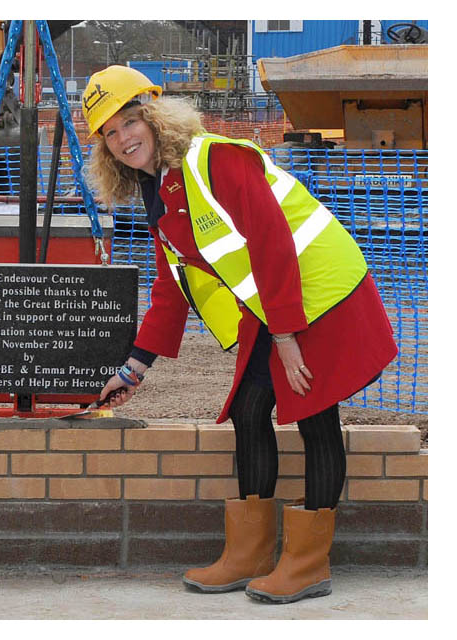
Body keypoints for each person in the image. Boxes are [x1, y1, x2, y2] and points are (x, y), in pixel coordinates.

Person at [82, 66, 397, 604]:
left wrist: (287, 334)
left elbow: (273, 240)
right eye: (110, 133)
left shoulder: (215, 158)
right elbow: (172, 285)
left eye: (130, 121)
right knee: (252, 410)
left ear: (155, 117)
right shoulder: (158, 188)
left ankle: (307, 564)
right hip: (279, 310)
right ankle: (249, 554)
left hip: (318, 294)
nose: (123, 138)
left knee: (315, 413)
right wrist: (133, 367)